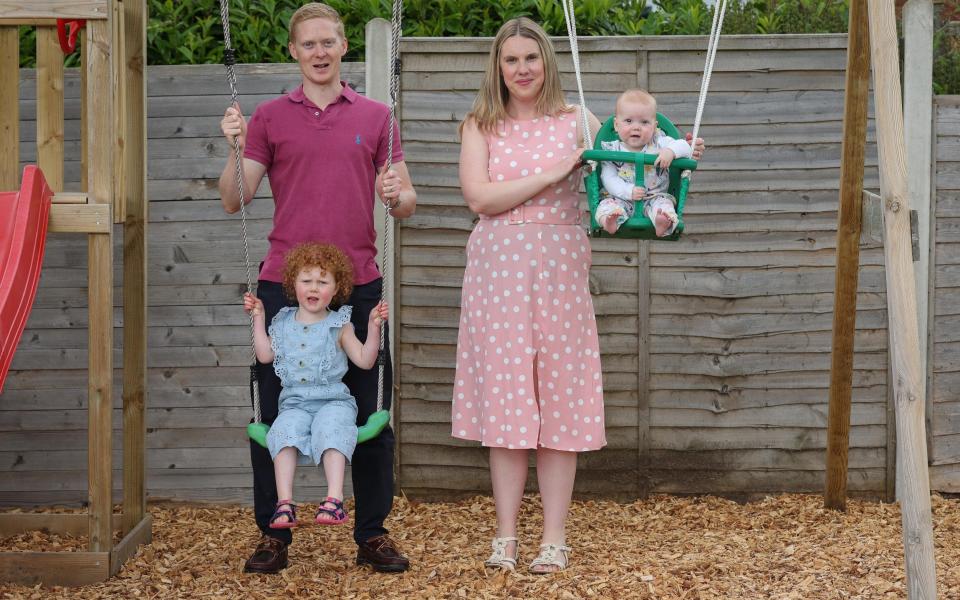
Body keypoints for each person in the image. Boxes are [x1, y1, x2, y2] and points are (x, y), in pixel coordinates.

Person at [451, 17, 704, 574]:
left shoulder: (579, 122)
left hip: (561, 265)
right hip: (498, 267)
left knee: (558, 399)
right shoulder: (481, 124)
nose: (522, 69)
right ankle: (506, 538)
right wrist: (553, 172)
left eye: (531, 58)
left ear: (548, 62)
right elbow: (479, 197)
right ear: (498, 65)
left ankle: (555, 540)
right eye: (511, 59)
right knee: (509, 400)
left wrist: (679, 152)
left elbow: (636, 145)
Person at [218, 2, 416, 575]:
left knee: (371, 413)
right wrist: (233, 145)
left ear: (344, 46)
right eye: (309, 44)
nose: (320, 52)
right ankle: (274, 534)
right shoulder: (270, 117)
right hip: (285, 285)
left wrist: (394, 193)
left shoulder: (378, 115)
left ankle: (372, 533)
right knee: (272, 414)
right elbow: (236, 198)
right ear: (293, 51)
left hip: (357, 283)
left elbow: (405, 203)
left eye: (329, 41)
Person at [242, 243, 389, 529]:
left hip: (333, 400)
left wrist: (373, 327)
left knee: (331, 427)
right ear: (293, 284)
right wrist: (258, 319)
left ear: (336, 290)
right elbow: (264, 355)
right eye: (306, 280)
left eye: (323, 282)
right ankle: (284, 503)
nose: (314, 287)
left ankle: (334, 499)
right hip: (295, 403)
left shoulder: (340, 325)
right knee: (282, 432)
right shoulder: (282, 322)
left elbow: (365, 360)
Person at [596, 89, 692, 237]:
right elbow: (608, 179)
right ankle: (610, 222)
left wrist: (670, 152)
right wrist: (629, 191)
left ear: (654, 127)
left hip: (653, 199)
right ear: (616, 124)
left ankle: (662, 223)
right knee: (606, 206)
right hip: (621, 199)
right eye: (628, 121)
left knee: (664, 207)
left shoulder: (660, 143)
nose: (636, 127)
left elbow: (686, 146)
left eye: (644, 122)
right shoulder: (611, 150)